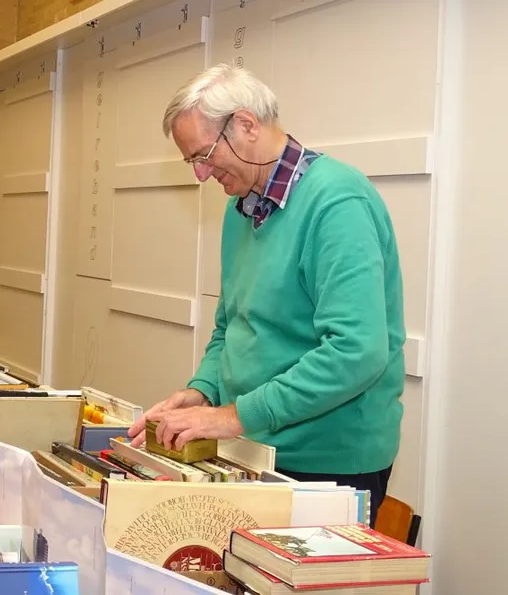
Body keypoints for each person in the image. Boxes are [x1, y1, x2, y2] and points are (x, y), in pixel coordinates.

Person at [127, 64, 405, 523]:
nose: (200, 174)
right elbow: (232, 326)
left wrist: (232, 417)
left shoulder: (337, 202)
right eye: (190, 161)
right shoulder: (241, 210)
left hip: (326, 463)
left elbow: (356, 351)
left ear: (246, 125)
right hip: (256, 446)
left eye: (204, 154)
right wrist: (203, 392)